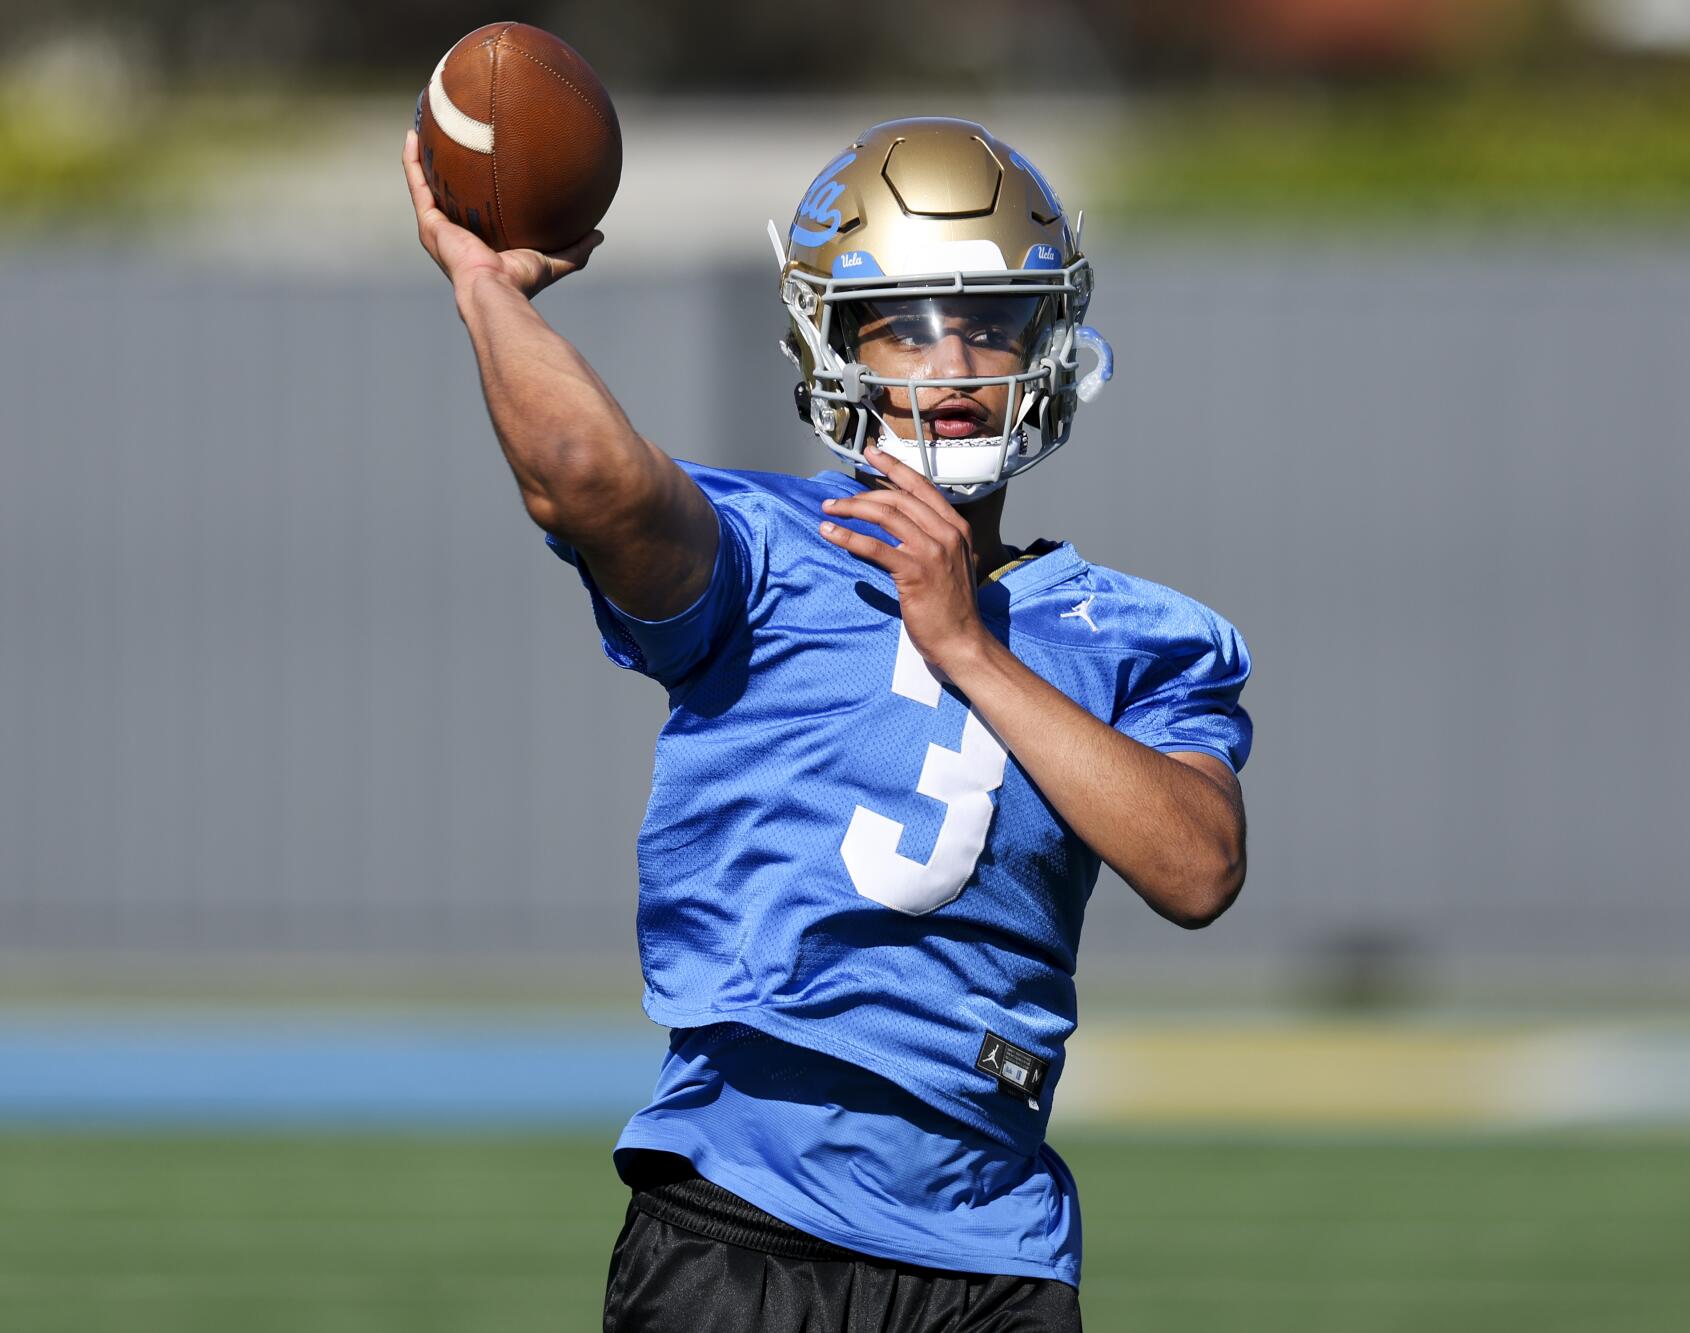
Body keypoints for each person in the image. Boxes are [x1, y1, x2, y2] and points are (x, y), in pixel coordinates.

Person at [402, 115, 1252, 1333]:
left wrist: (967, 643)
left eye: (989, 322)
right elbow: (583, 472)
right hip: (744, 1217)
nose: (952, 366)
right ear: (832, 341)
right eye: (903, 325)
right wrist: (486, 286)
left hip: (993, 1234)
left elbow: (1197, 866)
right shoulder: (755, 550)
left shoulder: (1141, 633)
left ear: (1050, 337)